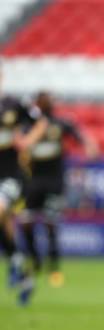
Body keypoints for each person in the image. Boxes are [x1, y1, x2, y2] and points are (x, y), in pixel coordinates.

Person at [20, 91, 98, 287]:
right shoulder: (29, 125)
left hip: (54, 181)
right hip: (33, 182)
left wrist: (89, 146)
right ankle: (35, 260)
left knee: (50, 223)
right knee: (27, 222)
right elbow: (21, 148)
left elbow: (81, 137)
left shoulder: (60, 124)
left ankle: (53, 268)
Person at [0, 64, 48, 305]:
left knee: (0, 209)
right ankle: (21, 269)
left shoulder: (13, 105)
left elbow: (41, 123)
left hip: (9, 175)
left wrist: (27, 141)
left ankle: (17, 264)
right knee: (4, 221)